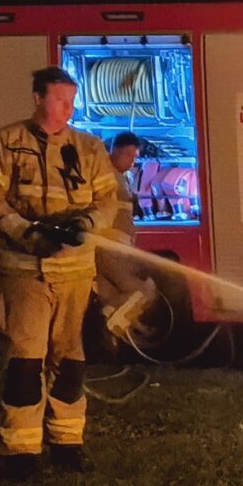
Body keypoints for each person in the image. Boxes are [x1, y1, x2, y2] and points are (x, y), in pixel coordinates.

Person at [0, 66, 122, 477]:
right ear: (37, 97)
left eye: (72, 100)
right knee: (25, 360)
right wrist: (26, 234)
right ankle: (20, 453)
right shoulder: (7, 142)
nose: (68, 109)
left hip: (74, 272)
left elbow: (108, 198)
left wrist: (86, 226)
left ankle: (67, 445)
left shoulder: (88, 148)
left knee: (70, 361)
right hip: (23, 270)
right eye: (60, 100)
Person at [93, 131, 156, 343]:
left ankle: (114, 336)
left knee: (112, 298)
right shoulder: (107, 175)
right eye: (129, 155)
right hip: (110, 248)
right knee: (144, 290)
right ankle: (109, 325)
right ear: (115, 151)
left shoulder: (120, 178)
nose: (132, 161)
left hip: (113, 248)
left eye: (135, 156)